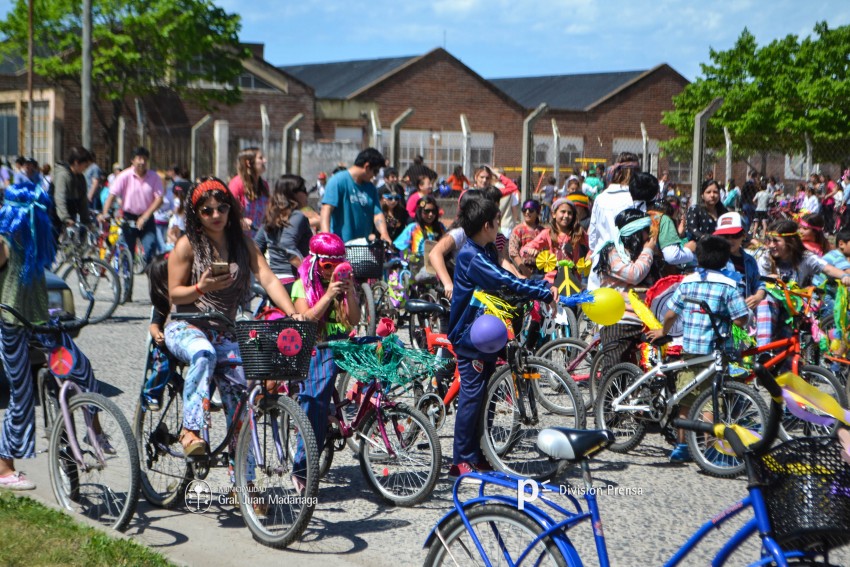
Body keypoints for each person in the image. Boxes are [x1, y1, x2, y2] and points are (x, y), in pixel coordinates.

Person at [165, 177, 298, 463]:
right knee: (203, 353)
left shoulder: (244, 244)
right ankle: (190, 429)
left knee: (242, 402)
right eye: (207, 210)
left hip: (224, 332)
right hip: (185, 327)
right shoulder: (187, 245)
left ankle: (245, 486)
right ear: (196, 214)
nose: (216, 215)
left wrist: (292, 312)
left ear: (231, 210)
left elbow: (268, 278)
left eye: (222, 208)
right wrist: (202, 288)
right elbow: (174, 293)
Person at [0, 182, 101, 489]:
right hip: (10, 325)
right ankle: (4, 467)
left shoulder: (39, 239)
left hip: (42, 322)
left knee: (81, 369)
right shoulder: (4, 242)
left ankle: (93, 427)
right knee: (22, 393)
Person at [447, 195, 557, 477]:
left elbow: (502, 281)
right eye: (497, 222)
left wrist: (531, 287)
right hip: (469, 335)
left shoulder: (483, 250)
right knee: (472, 396)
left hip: (486, 331)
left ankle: (479, 454)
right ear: (486, 225)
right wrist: (539, 289)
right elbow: (502, 280)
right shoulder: (471, 256)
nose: (499, 227)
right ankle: (460, 459)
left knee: (486, 395)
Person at [648, 236, 749, 463]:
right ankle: (710, 450)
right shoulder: (729, 286)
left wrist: (664, 331)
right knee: (712, 401)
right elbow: (741, 320)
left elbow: (671, 313)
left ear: (699, 257)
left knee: (686, 397)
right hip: (715, 351)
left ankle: (682, 447)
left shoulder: (687, 282)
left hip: (690, 349)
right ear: (724, 261)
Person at [290, 233, 359, 492]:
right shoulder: (301, 286)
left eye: (338, 264)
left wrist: (350, 293)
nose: (333, 271)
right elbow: (307, 318)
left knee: (381, 353)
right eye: (327, 266)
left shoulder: (343, 285)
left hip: (339, 344)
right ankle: (302, 465)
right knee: (316, 397)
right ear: (316, 262)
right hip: (315, 346)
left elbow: (352, 321)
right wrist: (329, 294)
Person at [755, 219, 850, 346]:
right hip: (771, 307)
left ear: (791, 241)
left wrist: (844, 275)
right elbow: (759, 284)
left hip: (794, 309)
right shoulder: (766, 258)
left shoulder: (805, 258)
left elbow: (828, 268)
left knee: (786, 351)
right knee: (766, 301)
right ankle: (763, 349)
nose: (771, 245)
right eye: (769, 240)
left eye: (776, 241)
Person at [594, 208, 658, 368]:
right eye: (646, 232)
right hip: (619, 321)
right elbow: (633, 274)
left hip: (644, 321)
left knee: (656, 367)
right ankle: (607, 394)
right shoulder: (611, 252)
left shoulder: (642, 254)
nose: (649, 237)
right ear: (636, 232)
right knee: (615, 375)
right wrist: (649, 250)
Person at [99, 146, 163, 280]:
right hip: (129, 218)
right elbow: (111, 195)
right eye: (139, 159)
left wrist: (145, 217)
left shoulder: (154, 177)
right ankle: (127, 286)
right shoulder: (124, 176)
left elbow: (159, 199)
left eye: (145, 159)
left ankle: (152, 282)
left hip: (147, 218)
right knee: (127, 252)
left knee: (150, 248)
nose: (142, 162)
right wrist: (105, 213)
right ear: (132, 161)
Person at [587, 152, 641, 290]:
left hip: (601, 264)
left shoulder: (601, 198)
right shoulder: (636, 199)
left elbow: (592, 235)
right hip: (626, 264)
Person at [254, 175, 313, 294]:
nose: (307, 194)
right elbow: (287, 244)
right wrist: (307, 271)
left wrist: (264, 274)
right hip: (293, 283)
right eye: (304, 190)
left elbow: (256, 246)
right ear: (293, 193)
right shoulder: (297, 216)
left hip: (274, 284)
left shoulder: (271, 217)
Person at [319, 147, 392, 244]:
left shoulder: (371, 188)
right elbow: (326, 209)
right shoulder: (338, 181)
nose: (374, 176)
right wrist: (326, 238)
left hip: (361, 247)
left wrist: (384, 234)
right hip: (339, 246)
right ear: (367, 167)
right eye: (375, 171)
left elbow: (377, 213)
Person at [521, 198, 588, 282]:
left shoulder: (577, 233)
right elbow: (524, 249)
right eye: (563, 212)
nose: (566, 216)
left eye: (569, 213)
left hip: (573, 280)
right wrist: (530, 250)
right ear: (553, 214)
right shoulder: (547, 233)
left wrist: (588, 259)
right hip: (552, 280)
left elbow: (593, 246)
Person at [713, 212, 765, 310]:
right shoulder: (714, 259)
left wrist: (759, 296)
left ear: (743, 235)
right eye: (725, 236)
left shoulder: (750, 261)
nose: (730, 240)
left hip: (744, 312)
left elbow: (759, 283)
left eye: (735, 235)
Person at [228, 147, 269, 238]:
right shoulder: (236, 184)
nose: (265, 161)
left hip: (258, 241)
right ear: (248, 163)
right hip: (239, 239)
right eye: (260, 158)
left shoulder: (264, 185)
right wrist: (240, 221)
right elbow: (227, 211)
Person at [52, 147, 95, 232]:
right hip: (56, 217)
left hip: (71, 216)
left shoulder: (81, 178)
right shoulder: (63, 175)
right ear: (76, 163)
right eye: (85, 166)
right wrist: (65, 218)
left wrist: (86, 221)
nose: (86, 169)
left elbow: (83, 200)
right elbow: (60, 198)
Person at [509, 199, 543, 276]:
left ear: (537, 212)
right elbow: (513, 252)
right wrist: (524, 269)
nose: (527, 212)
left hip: (540, 271)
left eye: (531, 210)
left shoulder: (542, 231)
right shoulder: (518, 230)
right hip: (522, 271)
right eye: (525, 210)